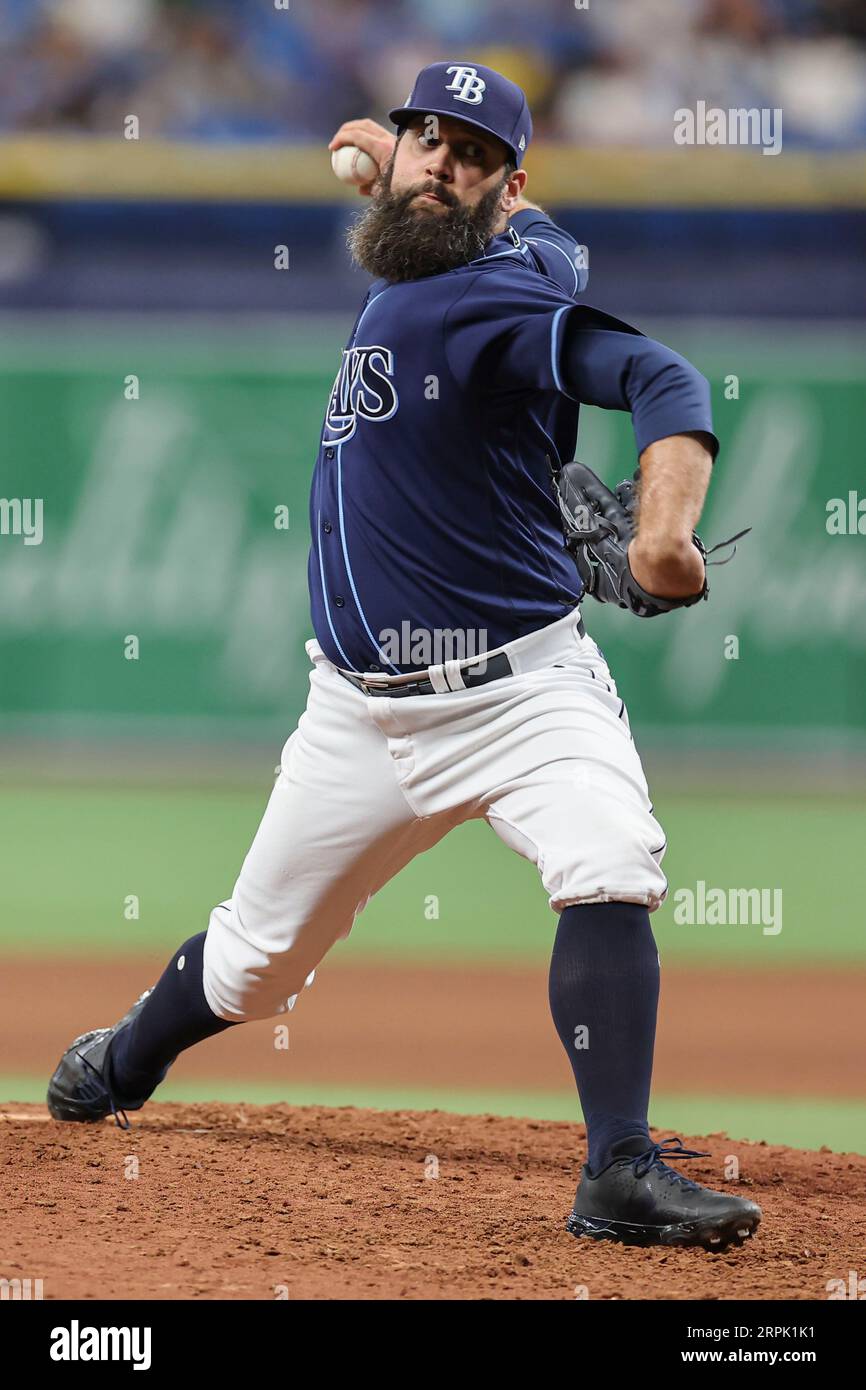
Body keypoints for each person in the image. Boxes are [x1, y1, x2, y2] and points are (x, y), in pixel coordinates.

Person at [48, 61, 761, 1251]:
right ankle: (124, 1058)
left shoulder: (477, 297)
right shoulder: (516, 256)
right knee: (253, 967)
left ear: (507, 183)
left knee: (607, 857)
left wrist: (663, 529)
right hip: (357, 717)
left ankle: (618, 1169)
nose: (439, 159)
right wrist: (415, 181)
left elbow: (658, 376)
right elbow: (534, 242)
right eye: (424, 135)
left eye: (470, 152)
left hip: (525, 694)